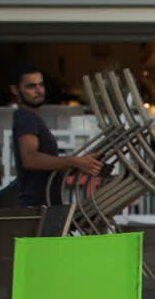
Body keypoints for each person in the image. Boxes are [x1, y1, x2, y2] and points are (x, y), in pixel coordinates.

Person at [10, 65, 102, 207]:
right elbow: (30, 159)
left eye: (41, 85)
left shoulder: (32, 118)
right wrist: (74, 161)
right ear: (15, 90)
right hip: (38, 207)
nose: (39, 90)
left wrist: (81, 163)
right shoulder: (26, 118)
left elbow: (47, 165)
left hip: (47, 204)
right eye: (31, 86)